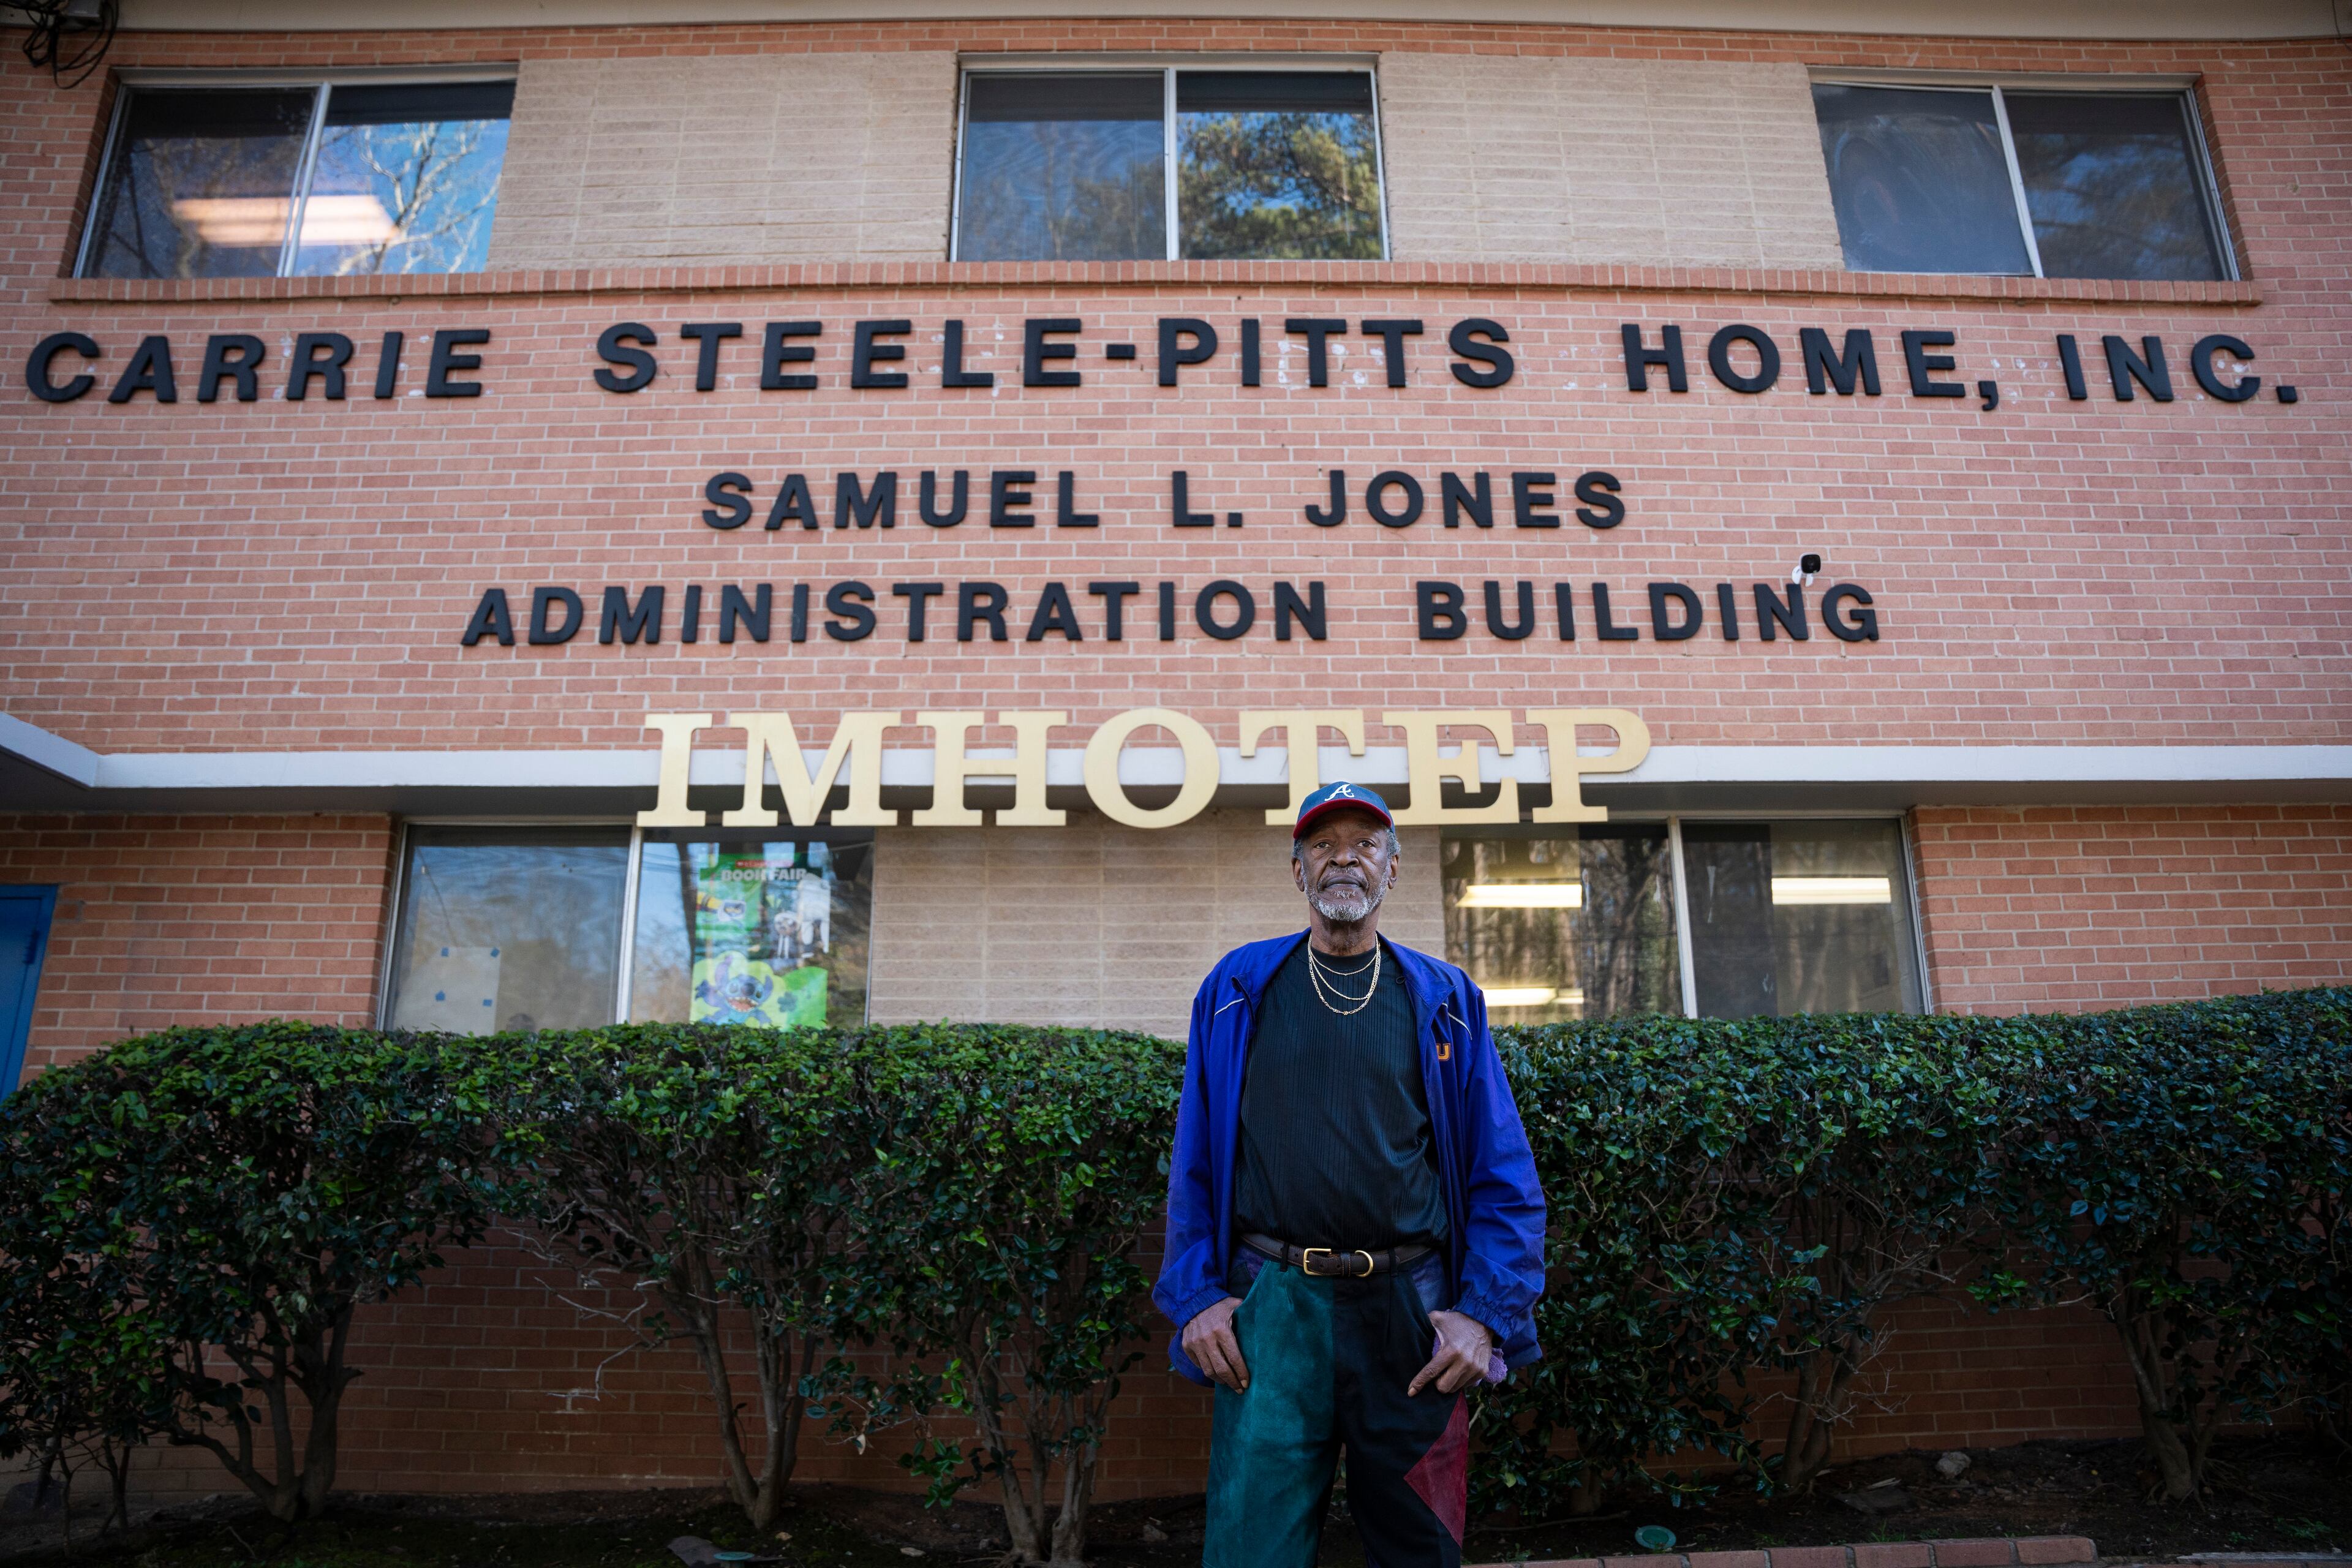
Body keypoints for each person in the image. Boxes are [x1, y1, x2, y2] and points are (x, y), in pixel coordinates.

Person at [1154, 782, 1547, 1568]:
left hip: (1412, 1316)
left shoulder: (1445, 998)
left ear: (1392, 869)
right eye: (1322, 845)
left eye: (1364, 843)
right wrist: (1196, 1297)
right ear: (1298, 871)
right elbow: (1196, 1157)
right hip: (1272, 1308)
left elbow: (1503, 1175)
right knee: (1249, 1551)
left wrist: (1484, 1314)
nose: (1344, 859)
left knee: (1420, 1548)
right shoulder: (1238, 988)